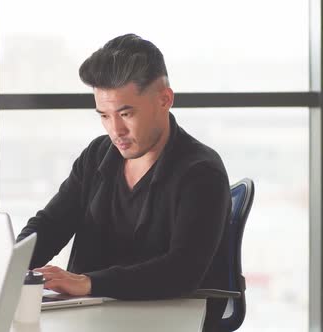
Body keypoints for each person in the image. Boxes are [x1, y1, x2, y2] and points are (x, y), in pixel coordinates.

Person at [16, 33, 232, 331]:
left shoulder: (201, 172)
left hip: (164, 318)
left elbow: (182, 271)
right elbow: (51, 224)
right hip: (90, 318)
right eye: (104, 115)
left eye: (126, 113)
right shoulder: (97, 154)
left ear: (164, 99)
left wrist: (89, 283)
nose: (115, 130)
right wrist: (11, 267)